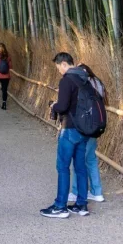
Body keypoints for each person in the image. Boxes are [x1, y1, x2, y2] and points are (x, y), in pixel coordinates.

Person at [41, 52, 91, 219]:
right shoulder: (84, 78)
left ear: (63, 64)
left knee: (63, 167)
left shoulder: (67, 80)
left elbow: (62, 106)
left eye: (58, 67)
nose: (59, 71)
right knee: (80, 167)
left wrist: (54, 106)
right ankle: (81, 204)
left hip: (69, 128)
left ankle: (60, 206)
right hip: (83, 129)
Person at [68, 63, 105, 204]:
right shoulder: (97, 83)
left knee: (79, 159)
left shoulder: (83, 84)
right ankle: (97, 192)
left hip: (85, 126)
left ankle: (76, 192)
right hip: (96, 124)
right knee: (91, 159)